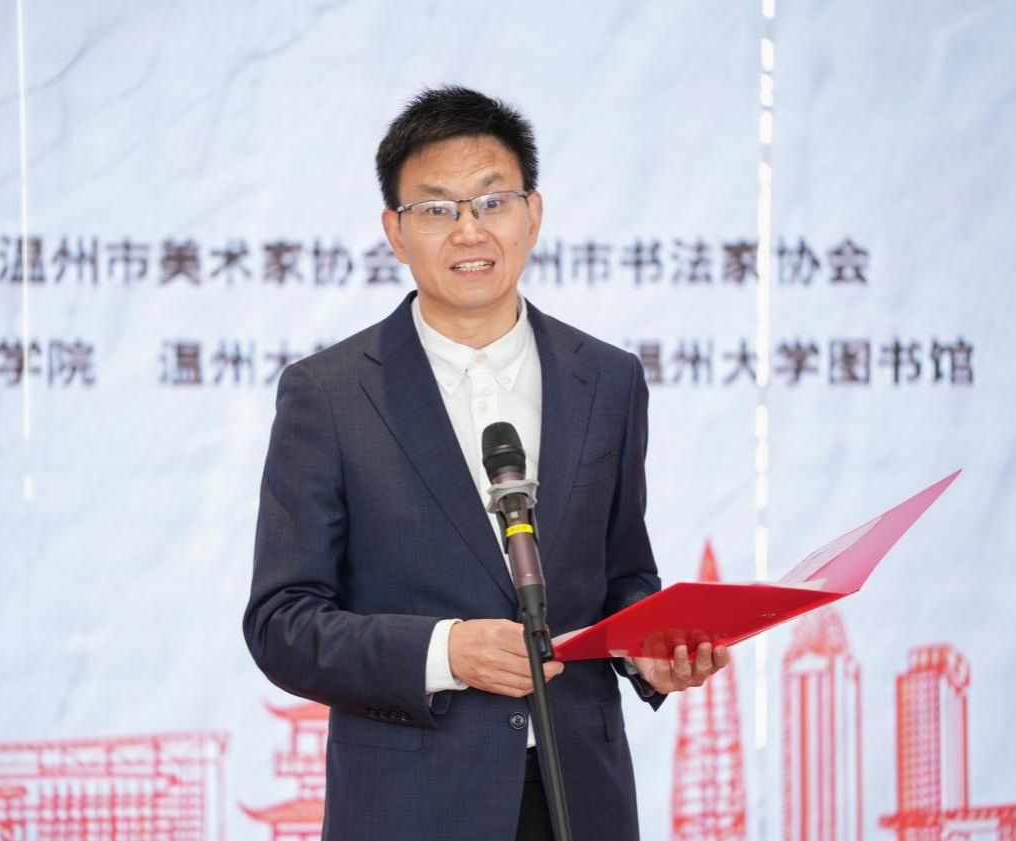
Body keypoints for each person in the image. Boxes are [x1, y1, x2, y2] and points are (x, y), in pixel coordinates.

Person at [242, 85, 729, 841]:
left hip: (580, 797)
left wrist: (649, 655)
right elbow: (283, 623)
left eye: (493, 202)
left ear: (533, 214)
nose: (469, 230)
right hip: (411, 805)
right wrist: (446, 651)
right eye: (437, 208)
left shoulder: (607, 379)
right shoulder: (329, 395)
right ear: (395, 231)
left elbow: (622, 575)